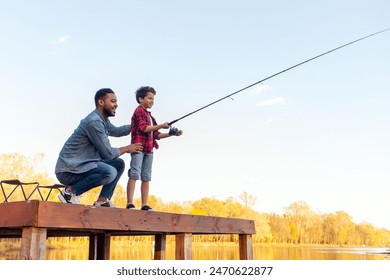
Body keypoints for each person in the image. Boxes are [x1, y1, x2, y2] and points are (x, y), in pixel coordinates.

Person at [55, 88, 143, 207]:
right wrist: (127, 148)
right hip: (69, 170)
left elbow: (117, 131)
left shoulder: (103, 121)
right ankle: (69, 193)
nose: (116, 105)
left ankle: (102, 200)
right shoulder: (94, 122)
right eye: (112, 101)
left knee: (118, 164)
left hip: (83, 165)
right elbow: (108, 154)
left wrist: (138, 126)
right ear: (101, 102)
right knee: (110, 172)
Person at [126, 86, 183, 211]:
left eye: (153, 99)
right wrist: (161, 125)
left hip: (149, 150)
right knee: (134, 174)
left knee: (146, 176)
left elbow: (156, 135)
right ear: (141, 99)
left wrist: (172, 134)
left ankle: (144, 204)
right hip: (138, 147)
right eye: (149, 98)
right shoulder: (139, 111)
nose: (152, 101)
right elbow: (144, 128)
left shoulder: (151, 117)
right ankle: (130, 203)